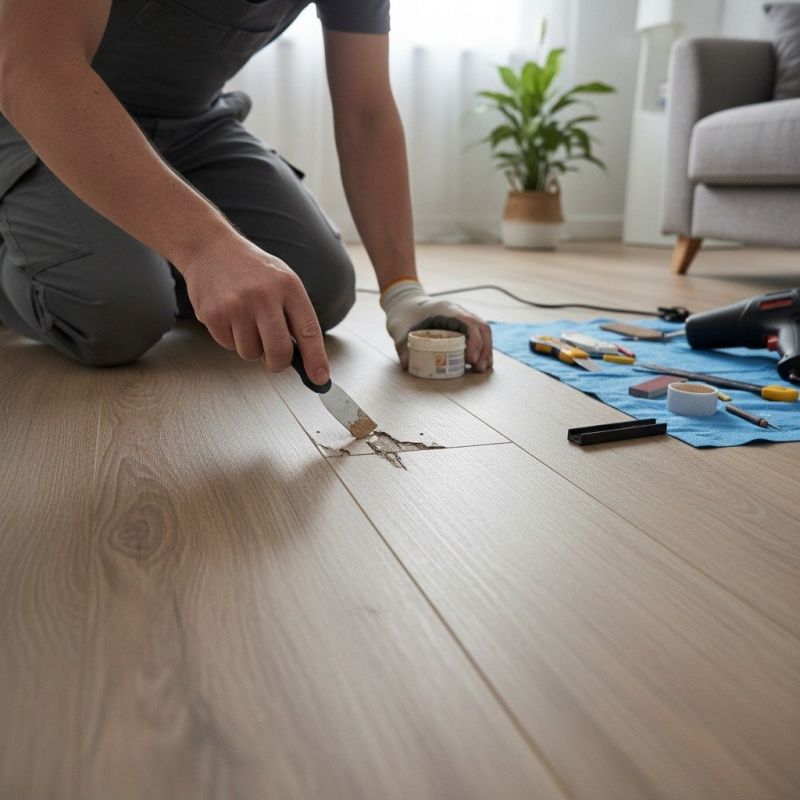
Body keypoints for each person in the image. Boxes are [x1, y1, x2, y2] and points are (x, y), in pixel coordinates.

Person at [0, 0, 493, 382]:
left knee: (316, 289)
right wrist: (206, 247)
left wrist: (403, 292)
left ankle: (118, 252)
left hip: (190, 121)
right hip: (41, 113)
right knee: (116, 315)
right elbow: (36, 68)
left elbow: (366, 116)